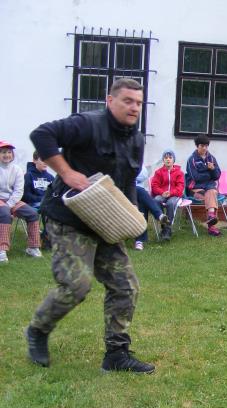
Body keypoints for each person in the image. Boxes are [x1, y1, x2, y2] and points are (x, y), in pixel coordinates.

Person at [25, 78, 155, 373]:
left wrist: (130, 211)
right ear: (110, 101)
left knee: (126, 286)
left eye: (138, 102)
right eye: (128, 101)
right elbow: (42, 134)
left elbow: (127, 179)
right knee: (76, 285)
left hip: (104, 221)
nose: (134, 107)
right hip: (69, 218)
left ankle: (116, 355)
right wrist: (67, 172)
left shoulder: (136, 138)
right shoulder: (87, 124)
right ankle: (37, 331)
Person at [0, 141, 42, 263]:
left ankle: (33, 247)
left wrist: (9, 205)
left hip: (12, 200)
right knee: (4, 213)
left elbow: (18, 191)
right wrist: (6, 207)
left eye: (9, 152)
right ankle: (2, 250)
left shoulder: (17, 169)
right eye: (3, 152)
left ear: (12, 155)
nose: (6, 155)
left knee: (32, 214)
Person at [185, 134, 222, 237]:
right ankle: (212, 227)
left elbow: (217, 175)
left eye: (206, 146)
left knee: (212, 193)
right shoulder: (191, 159)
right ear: (197, 146)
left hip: (209, 188)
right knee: (212, 194)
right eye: (202, 146)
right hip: (195, 189)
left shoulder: (212, 158)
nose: (204, 148)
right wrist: (208, 169)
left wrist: (213, 169)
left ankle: (211, 218)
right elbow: (195, 177)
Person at [23, 151, 55, 248]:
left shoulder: (50, 177)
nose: (45, 162)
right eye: (42, 159)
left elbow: (54, 194)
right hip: (32, 204)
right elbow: (25, 196)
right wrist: (42, 199)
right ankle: (47, 239)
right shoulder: (28, 176)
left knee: (57, 210)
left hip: (46, 204)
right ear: (34, 161)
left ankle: (47, 237)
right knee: (47, 209)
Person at [151, 149, 185, 237]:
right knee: (156, 200)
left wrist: (171, 193)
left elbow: (180, 187)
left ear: (174, 160)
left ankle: (167, 228)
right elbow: (154, 186)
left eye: (170, 157)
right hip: (162, 194)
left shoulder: (179, 173)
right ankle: (164, 225)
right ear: (163, 160)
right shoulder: (158, 172)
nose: (168, 159)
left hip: (174, 195)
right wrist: (162, 192)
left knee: (170, 203)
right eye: (165, 158)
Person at [135, 165, 169, 249]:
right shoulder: (120, 161)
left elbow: (143, 175)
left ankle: (139, 241)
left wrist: (133, 174)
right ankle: (159, 215)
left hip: (137, 195)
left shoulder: (136, 162)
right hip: (123, 194)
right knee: (139, 190)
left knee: (142, 203)